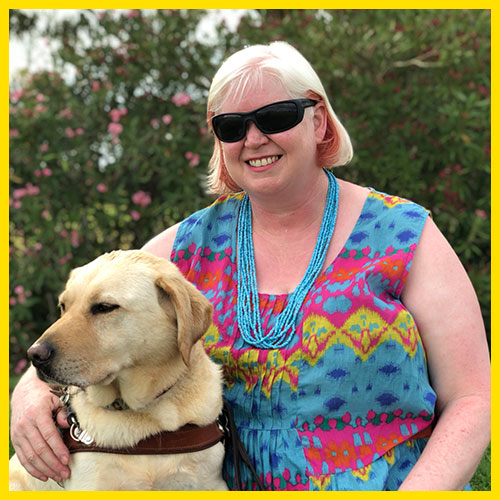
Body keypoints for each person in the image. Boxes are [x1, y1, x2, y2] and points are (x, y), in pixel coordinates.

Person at [10, 41, 490, 491]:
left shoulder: (403, 234)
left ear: (319, 121)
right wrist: (29, 394)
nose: (254, 138)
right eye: (232, 126)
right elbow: (97, 312)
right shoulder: (185, 248)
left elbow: (473, 399)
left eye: (276, 116)